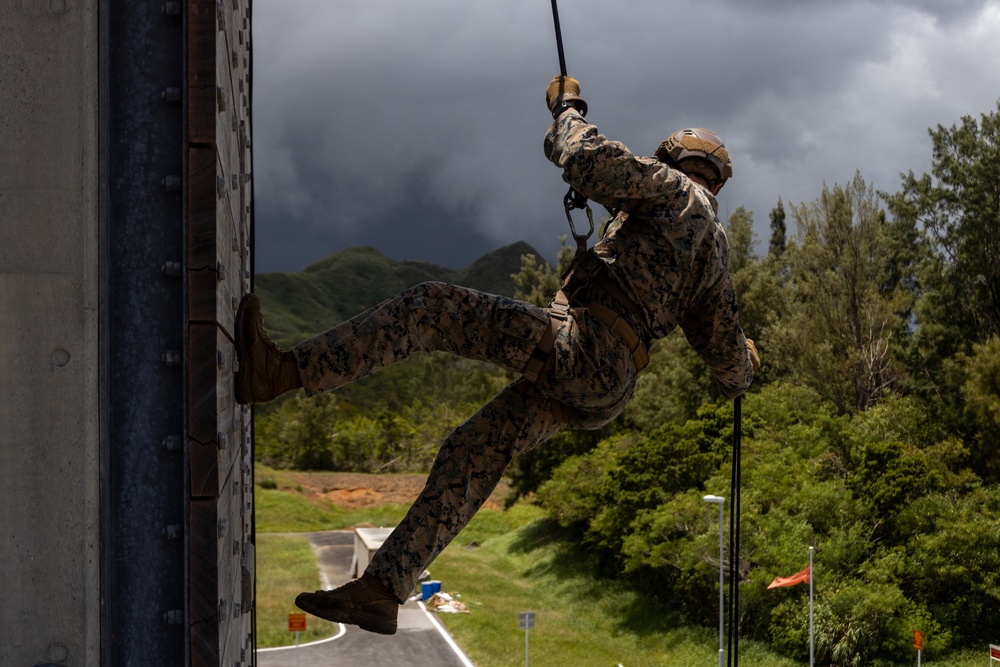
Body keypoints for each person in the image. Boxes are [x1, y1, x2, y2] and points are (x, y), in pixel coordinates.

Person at [234, 75, 760, 635]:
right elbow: (729, 363)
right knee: (474, 448)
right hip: (610, 386)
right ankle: (383, 588)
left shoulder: (674, 190)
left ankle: (281, 373)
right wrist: (749, 363)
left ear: (674, 158)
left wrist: (569, 108)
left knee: (432, 307)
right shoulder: (715, 255)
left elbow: (584, 158)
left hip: (583, 347)